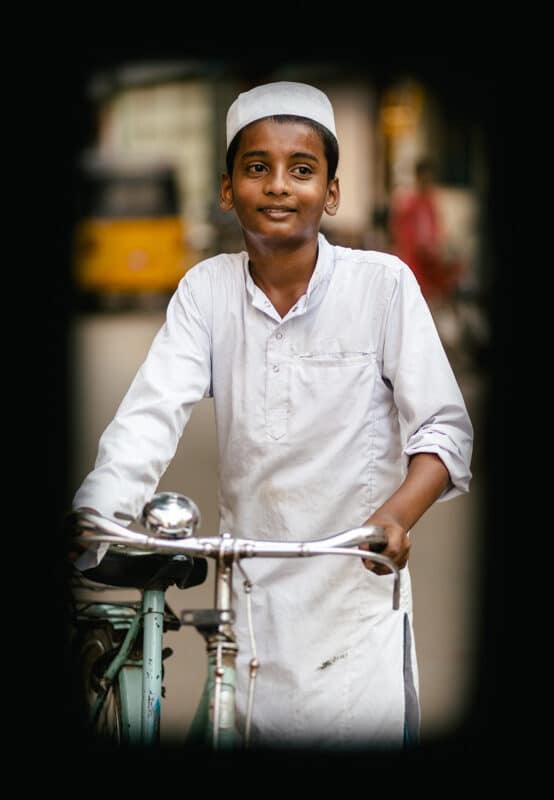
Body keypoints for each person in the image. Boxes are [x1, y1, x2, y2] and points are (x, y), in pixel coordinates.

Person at [71, 81, 473, 750]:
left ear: (331, 193)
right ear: (228, 191)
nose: (279, 186)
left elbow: (444, 429)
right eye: (257, 168)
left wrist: (397, 516)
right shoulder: (207, 291)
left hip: (353, 591)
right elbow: (150, 414)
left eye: (302, 170)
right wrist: (98, 510)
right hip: (248, 593)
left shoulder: (383, 286)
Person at [389, 157, 464, 308]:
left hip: (429, 265)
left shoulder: (431, 203)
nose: (428, 183)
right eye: (425, 178)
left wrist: (440, 249)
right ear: (418, 178)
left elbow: (438, 233)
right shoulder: (407, 204)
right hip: (414, 265)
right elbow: (400, 235)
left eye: (431, 179)